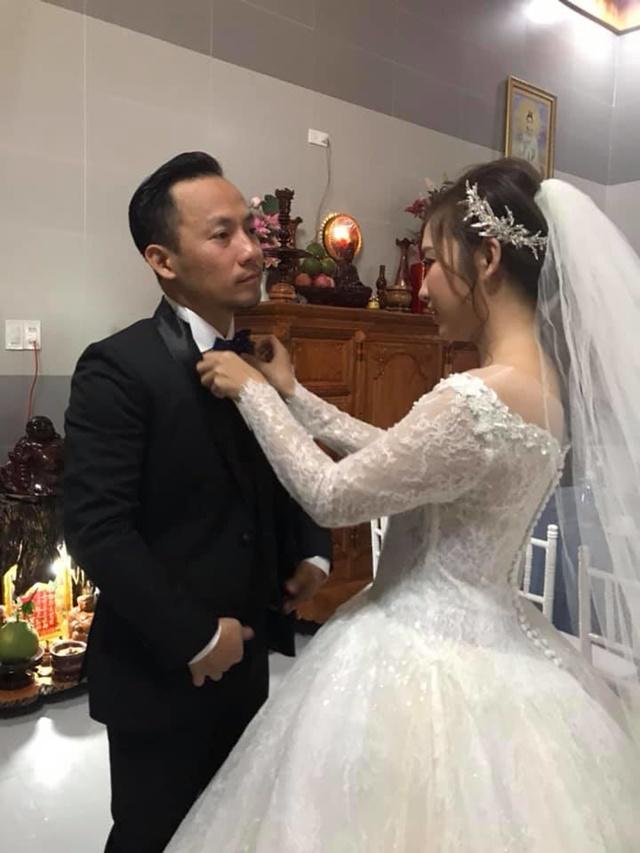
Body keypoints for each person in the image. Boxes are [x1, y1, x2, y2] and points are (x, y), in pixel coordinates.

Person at [167, 157, 640, 851]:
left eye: (432, 262)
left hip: (419, 649)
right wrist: (296, 396)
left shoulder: (474, 396)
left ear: (486, 259)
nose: (422, 286)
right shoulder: (543, 389)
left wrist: (254, 393)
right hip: (500, 637)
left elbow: (332, 496)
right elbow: (406, 458)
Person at [63, 152, 331, 853]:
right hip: (163, 663)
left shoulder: (260, 357)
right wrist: (196, 637)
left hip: (248, 653)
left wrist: (311, 548)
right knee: (156, 835)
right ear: (163, 260)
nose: (252, 250)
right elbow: (96, 527)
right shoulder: (118, 367)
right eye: (222, 234)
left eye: (250, 228)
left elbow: (278, 464)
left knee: (233, 828)